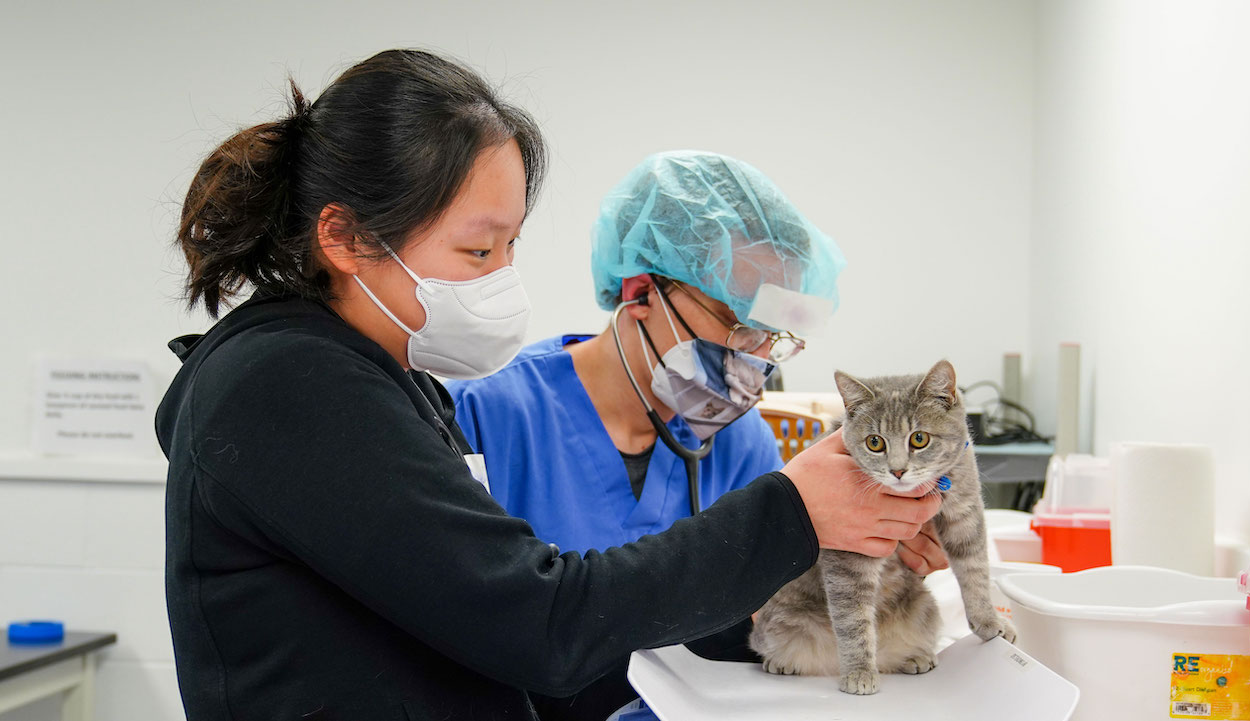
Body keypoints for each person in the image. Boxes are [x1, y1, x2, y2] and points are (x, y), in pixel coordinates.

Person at [156, 49, 943, 721]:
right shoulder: (288, 385)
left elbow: (516, 645)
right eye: (477, 253)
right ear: (346, 236)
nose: (504, 281)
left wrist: (825, 588)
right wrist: (793, 513)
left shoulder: (391, 385)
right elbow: (541, 620)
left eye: (511, 247)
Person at [448, 152, 950, 720]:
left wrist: (870, 548)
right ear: (640, 292)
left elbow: (763, 623)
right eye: (739, 326)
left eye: (773, 336)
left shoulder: (741, 442)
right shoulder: (484, 418)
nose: (756, 359)